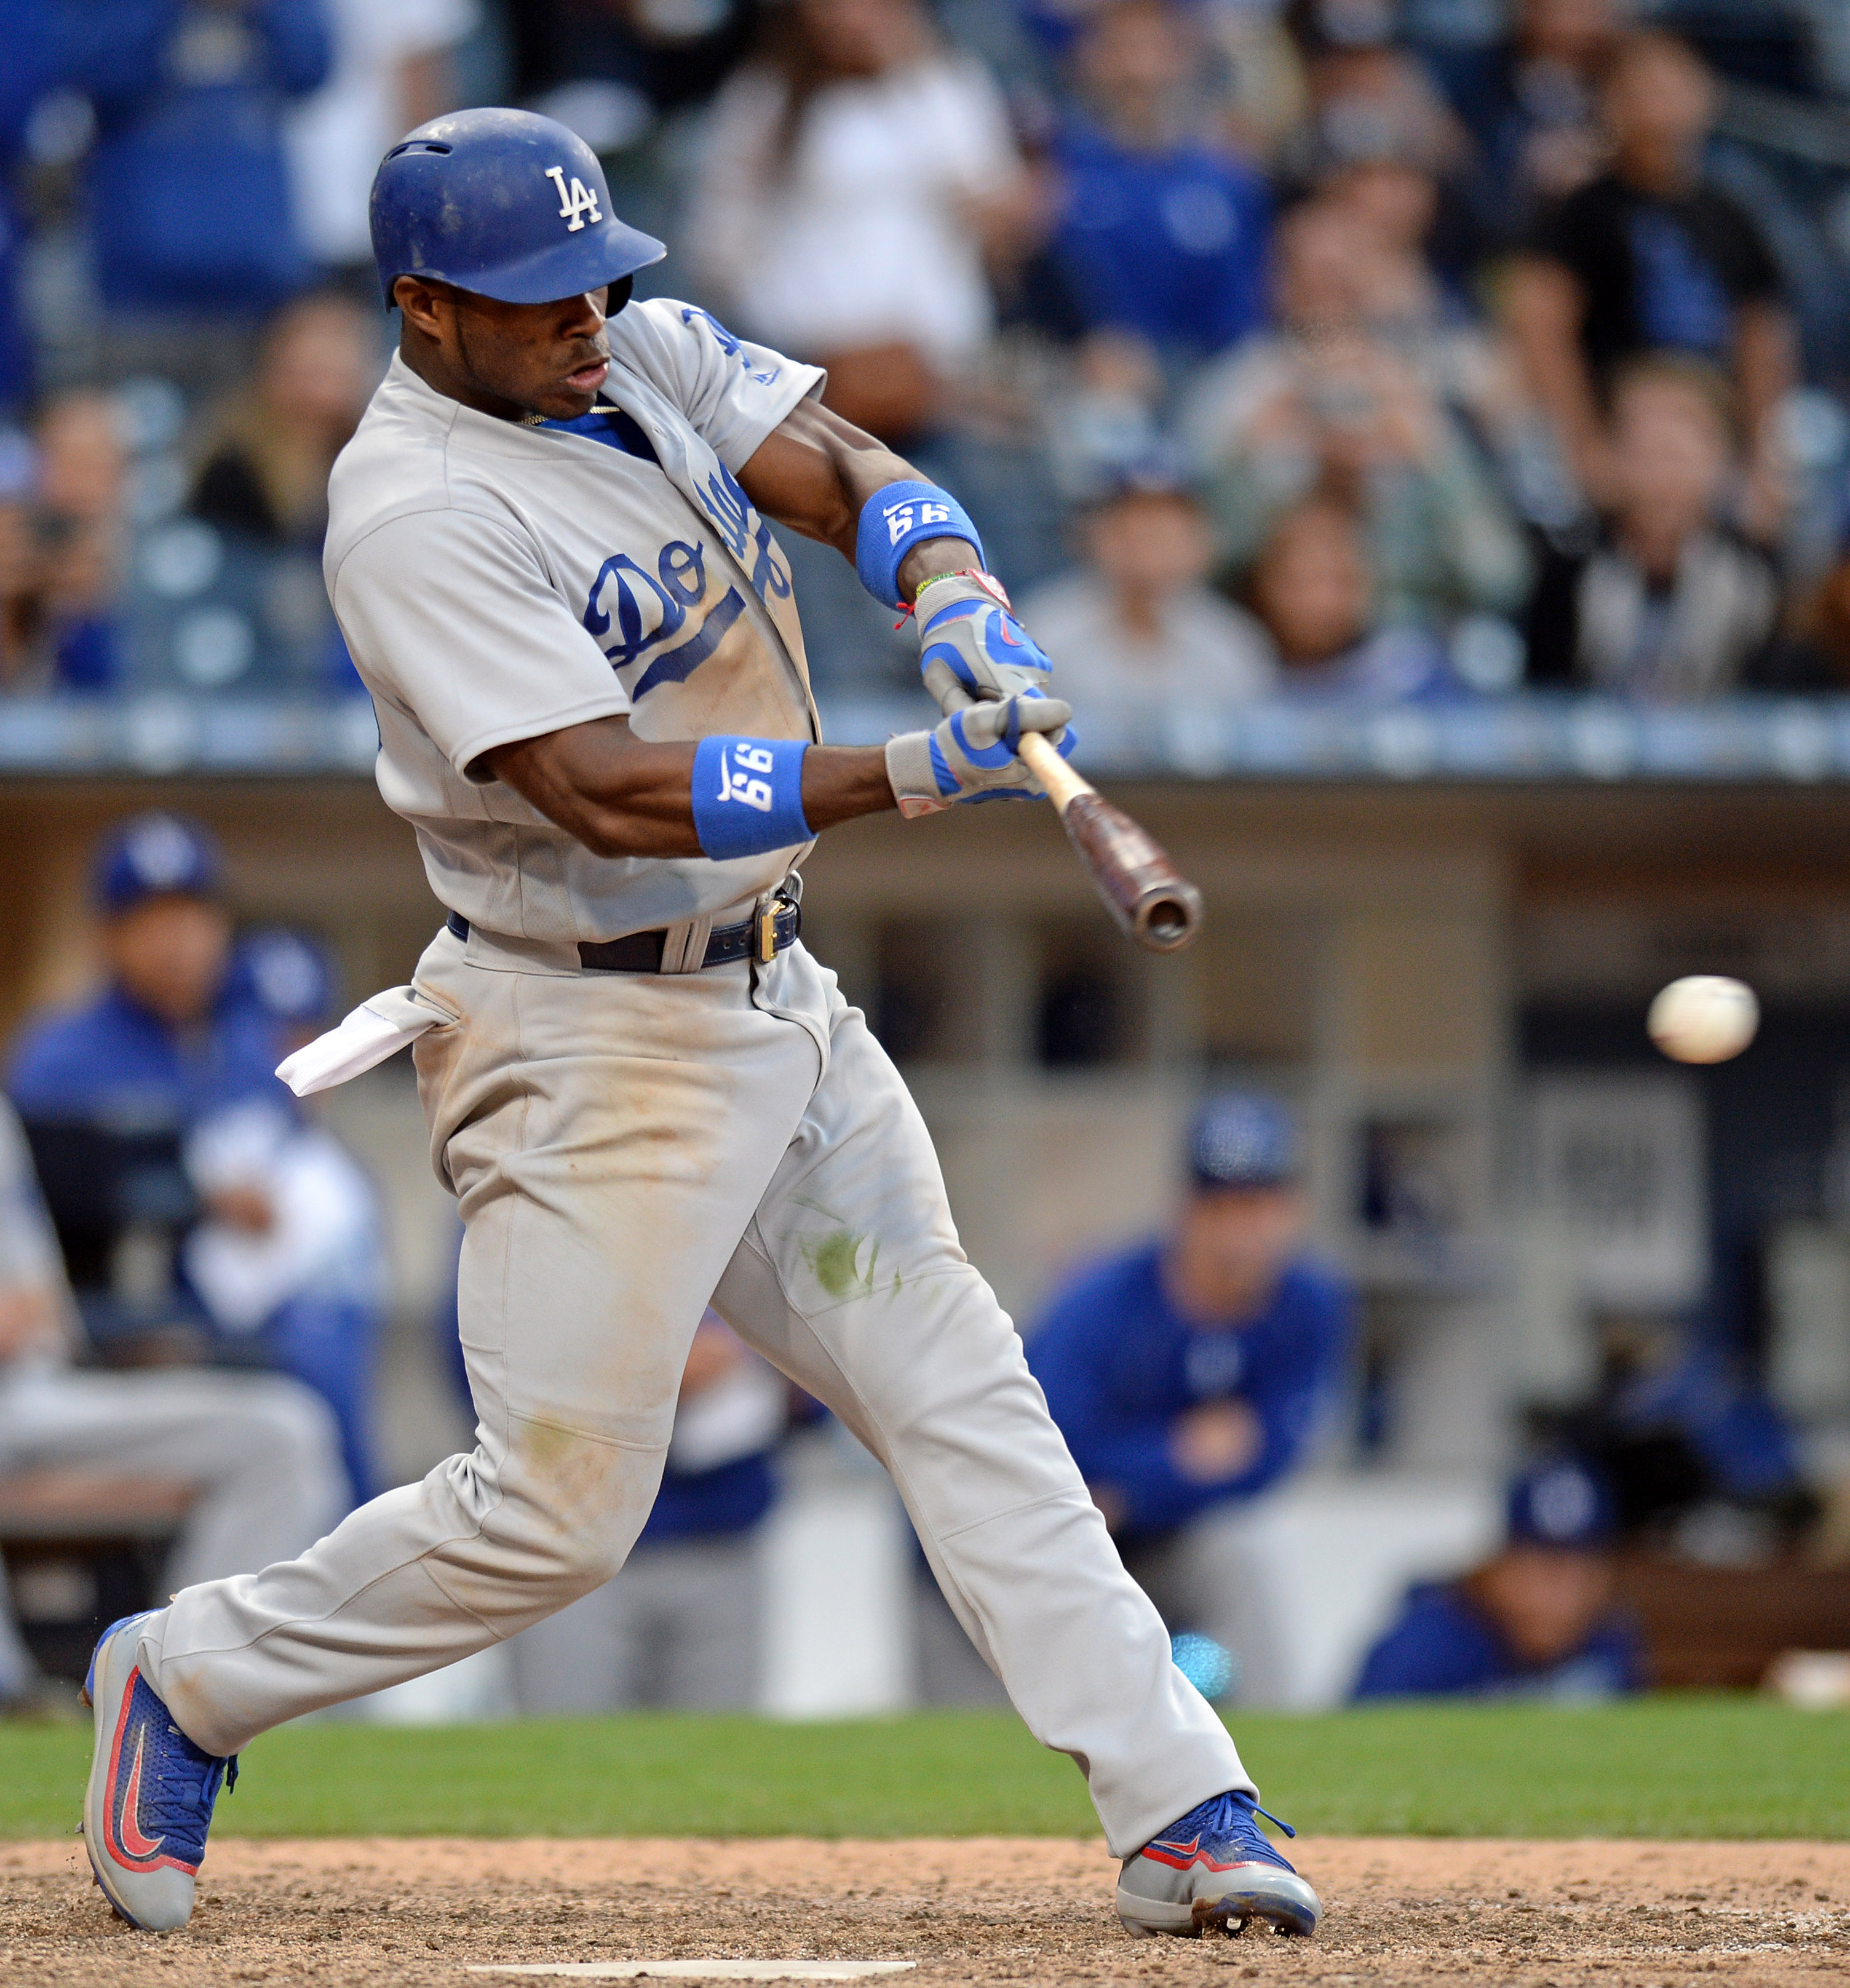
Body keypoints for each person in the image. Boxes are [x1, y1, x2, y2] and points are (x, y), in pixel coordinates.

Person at [77, 107, 1324, 1945]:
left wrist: (947, 577)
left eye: (595, 278)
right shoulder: (412, 510)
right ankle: (187, 1678)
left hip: (772, 993)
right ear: (423, 307)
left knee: (960, 1388)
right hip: (583, 1038)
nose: (583, 318)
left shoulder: (631, 348)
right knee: (557, 1519)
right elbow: (603, 788)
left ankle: (1183, 1806)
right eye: (532, 298)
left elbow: (827, 457)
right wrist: (904, 769)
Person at [6, 815, 376, 1492]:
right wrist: (194, 1193)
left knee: (325, 1333)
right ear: (106, 936)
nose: (176, 940)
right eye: (149, 918)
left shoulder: (243, 1045)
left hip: (243, 1314)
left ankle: (359, 1545)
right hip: (116, 1330)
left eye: (191, 915)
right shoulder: (59, 1055)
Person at [0, 1092, 347, 1716]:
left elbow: (40, 1311)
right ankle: (11, 1696)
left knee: (282, 1432)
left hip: (38, 1393)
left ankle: (176, 1692)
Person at [1027, 1095, 1352, 1708]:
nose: (1239, 1229)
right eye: (1220, 1205)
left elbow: (1267, 1461)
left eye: (1256, 1204)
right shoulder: (1101, 1302)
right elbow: (1051, 1456)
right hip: (1041, 1546)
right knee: (997, 1739)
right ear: (1184, 1210)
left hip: (1162, 1543)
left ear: (1291, 1210)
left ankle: (1272, 1756)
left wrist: (1134, 1485)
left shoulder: (1310, 1302)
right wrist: (1176, 1453)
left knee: (1237, 1560)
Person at [683, 0, 1038, 443]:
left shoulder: (946, 85)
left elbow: (1000, 214)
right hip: (807, 381)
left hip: (941, 380)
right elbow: (718, 250)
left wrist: (908, 81)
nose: (854, 18)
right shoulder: (762, 100)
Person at [1185, 199, 1533, 630]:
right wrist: (1249, 459)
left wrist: (1430, 455)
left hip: (1409, 633)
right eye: (1309, 276)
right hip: (1265, 635)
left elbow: (1499, 578)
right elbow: (1185, 567)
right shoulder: (1234, 389)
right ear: (1277, 282)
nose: (1326, 294)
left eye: (1340, 278)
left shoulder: (1433, 382)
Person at [1503, 31, 1794, 522]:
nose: (1657, 104)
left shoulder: (1731, 213)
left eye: (1670, 86)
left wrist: (1762, 457)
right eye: (1638, 89)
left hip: (1714, 423)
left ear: (1705, 95)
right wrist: (1584, 444)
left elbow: (1762, 335)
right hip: (1621, 420)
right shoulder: (1580, 210)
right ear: (1609, 103)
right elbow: (1539, 324)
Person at [510, 1311, 786, 1711]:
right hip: (569, 1549)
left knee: (718, 1758)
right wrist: (652, 1372)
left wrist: (755, 1359)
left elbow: (830, 1341)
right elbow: (475, 1357)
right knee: (566, 1748)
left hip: (720, 1540)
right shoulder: (527, 1249)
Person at [82, 0, 333, 380]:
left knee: (251, 435)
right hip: (141, 293)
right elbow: (101, 71)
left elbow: (311, 68)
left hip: (257, 280)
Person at [1523, 356, 1780, 699]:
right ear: (1612, 457)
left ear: (1723, 462)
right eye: (1645, 452)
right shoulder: (1569, 574)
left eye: (1678, 454)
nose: (1662, 479)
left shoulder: (1758, 578)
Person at [1036, 0, 1272, 365]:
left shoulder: (1227, 182)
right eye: (1121, 47)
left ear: (1183, 57)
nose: (1138, 71)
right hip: (1087, 368)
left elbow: (1248, 308)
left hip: (1212, 370)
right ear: (1088, 58)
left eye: (1154, 47)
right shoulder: (1054, 170)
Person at [1351, 1457, 1645, 1700]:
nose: (1562, 1598)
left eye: (1582, 1573)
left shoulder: (1608, 1643)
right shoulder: (1425, 1644)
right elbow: (1354, 1745)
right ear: (1500, 1567)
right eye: (1544, 1571)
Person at [1016, 459, 1278, 714]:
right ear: (1095, 535)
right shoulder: (1041, 631)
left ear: (1202, 541)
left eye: (1168, 528)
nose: (1150, 542)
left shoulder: (1232, 645)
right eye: (1132, 524)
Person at [189, 292, 382, 550]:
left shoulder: (377, 458)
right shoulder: (235, 470)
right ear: (276, 372)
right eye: (316, 372)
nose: (327, 393)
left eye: (341, 373)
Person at [1241, 497, 1459, 704]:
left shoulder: (1410, 673)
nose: (1321, 600)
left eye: (1341, 580)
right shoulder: (1230, 670)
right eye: (1300, 580)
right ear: (1262, 580)